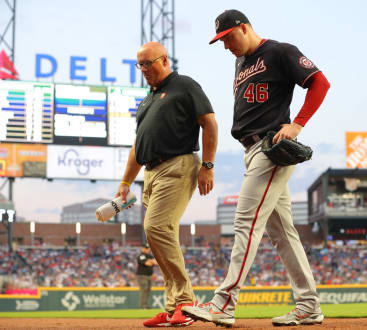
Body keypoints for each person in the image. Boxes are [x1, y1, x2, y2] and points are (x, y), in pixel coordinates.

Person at [183, 9, 330, 327]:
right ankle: (308, 305)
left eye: (227, 38)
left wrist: (298, 124)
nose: (225, 46)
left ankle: (224, 303)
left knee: (245, 223)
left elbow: (320, 83)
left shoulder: (279, 51)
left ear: (244, 28)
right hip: (250, 150)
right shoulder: (241, 63)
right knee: (282, 233)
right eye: (220, 41)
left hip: (271, 148)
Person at [116, 41, 218, 327]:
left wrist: (208, 165)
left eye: (148, 63)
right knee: (161, 237)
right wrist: (126, 181)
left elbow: (209, 123)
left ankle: (185, 302)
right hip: (151, 172)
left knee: (155, 227)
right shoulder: (147, 100)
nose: (144, 69)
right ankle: (174, 306)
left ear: (164, 60)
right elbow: (139, 145)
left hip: (178, 164)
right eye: (140, 65)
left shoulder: (184, 85)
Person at [136, 243, 158, 309]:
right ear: (143, 248)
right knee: (144, 290)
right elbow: (147, 263)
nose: (148, 249)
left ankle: (145, 304)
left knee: (148, 290)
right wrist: (151, 261)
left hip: (149, 276)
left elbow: (156, 263)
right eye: (146, 248)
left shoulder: (149, 256)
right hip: (142, 276)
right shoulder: (141, 255)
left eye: (148, 248)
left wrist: (151, 261)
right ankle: (142, 305)